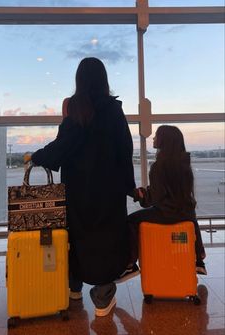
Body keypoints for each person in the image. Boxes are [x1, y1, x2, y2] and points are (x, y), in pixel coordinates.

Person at [26, 57, 137, 316]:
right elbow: (125, 150)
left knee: (76, 235)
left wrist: (39, 155)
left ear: (79, 80)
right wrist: (129, 186)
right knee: (107, 239)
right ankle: (102, 297)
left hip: (78, 190)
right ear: (104, 79)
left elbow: (63, 145)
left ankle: (74, 287)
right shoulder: (113, 109)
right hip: (108, 191)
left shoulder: (76, 108)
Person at [116, 125, 207, 282]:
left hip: (167, 213)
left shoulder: (159, 166)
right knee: (191, 216)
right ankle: (199, 259)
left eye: (156, 136)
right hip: (184, 212)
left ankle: (130, 264)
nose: (153, 138)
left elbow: (155, 198)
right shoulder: (184, 164)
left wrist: (140, 195)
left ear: (164, 140)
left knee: (131, 220)